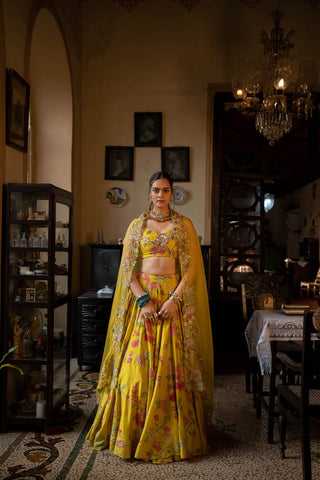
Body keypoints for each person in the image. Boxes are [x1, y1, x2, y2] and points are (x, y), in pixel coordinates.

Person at [86, 171, 214, 463]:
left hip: (172, 301)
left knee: (174, 373)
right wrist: (143, 301)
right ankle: (130, 434)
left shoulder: (184, 226)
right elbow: (127, 270)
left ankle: (174, 436)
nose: (160, 195)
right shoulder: (137, 225)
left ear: (172, 193)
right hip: (142, 303)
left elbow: (192, 268)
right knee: (134, 372)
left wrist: (174, 300)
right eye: (156, 189)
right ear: (149, 192)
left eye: (166, 190)